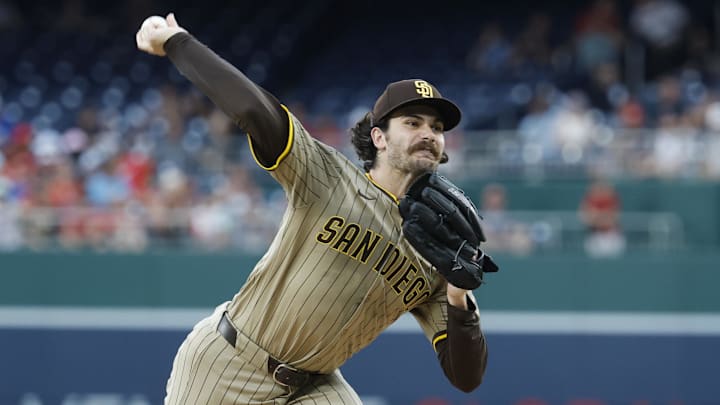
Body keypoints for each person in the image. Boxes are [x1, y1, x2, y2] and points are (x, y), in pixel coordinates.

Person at [136, 13, 490, 405]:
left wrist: (459, 300)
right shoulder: (328, 176)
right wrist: (177, 40)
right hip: (229, 364)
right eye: (413, 122)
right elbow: (256, 111)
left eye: (437, 128)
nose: (429, 134)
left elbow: (466, 376)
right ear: (379, 137)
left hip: (314, 386)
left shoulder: (437, 249)